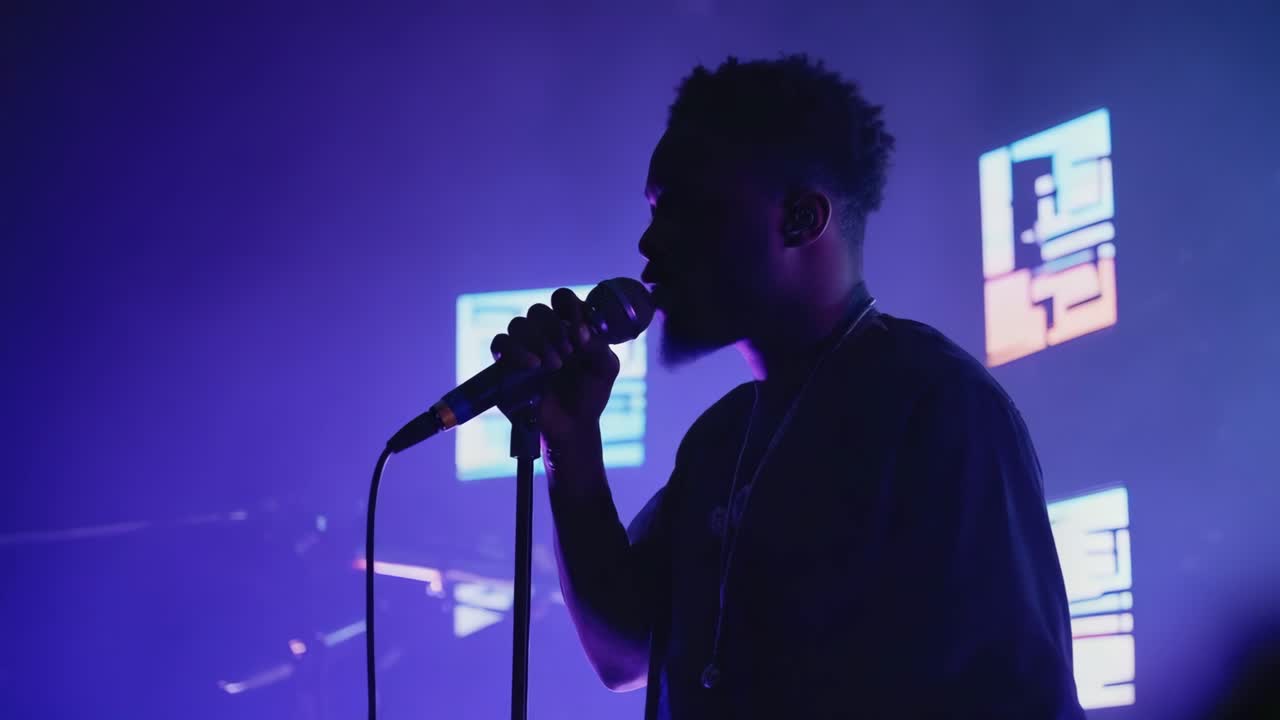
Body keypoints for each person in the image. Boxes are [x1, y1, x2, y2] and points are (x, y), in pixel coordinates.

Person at [489, 54, 1084, 719]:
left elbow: (1021, 695)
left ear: (800, 218)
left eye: (680, 207)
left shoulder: (938, 404)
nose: (649, 242)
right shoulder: (718, 440)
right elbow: (623, 653)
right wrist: (571, 443)